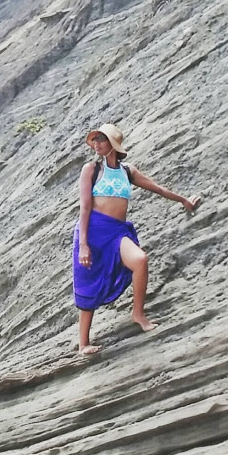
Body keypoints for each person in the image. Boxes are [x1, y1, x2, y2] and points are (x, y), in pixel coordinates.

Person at [72, 123, 201, 355]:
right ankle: (83, 344)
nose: (96, 144)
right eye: (95, 139)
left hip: (116, 231)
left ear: (113, 144)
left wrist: (183, 200)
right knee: (88, 281)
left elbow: (157, 188)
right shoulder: (91, 169)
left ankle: (138, 314)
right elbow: (85, 208)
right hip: (93, 231)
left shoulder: (127, 171)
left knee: (140, 260)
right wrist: (83, 244)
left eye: (101, 139)